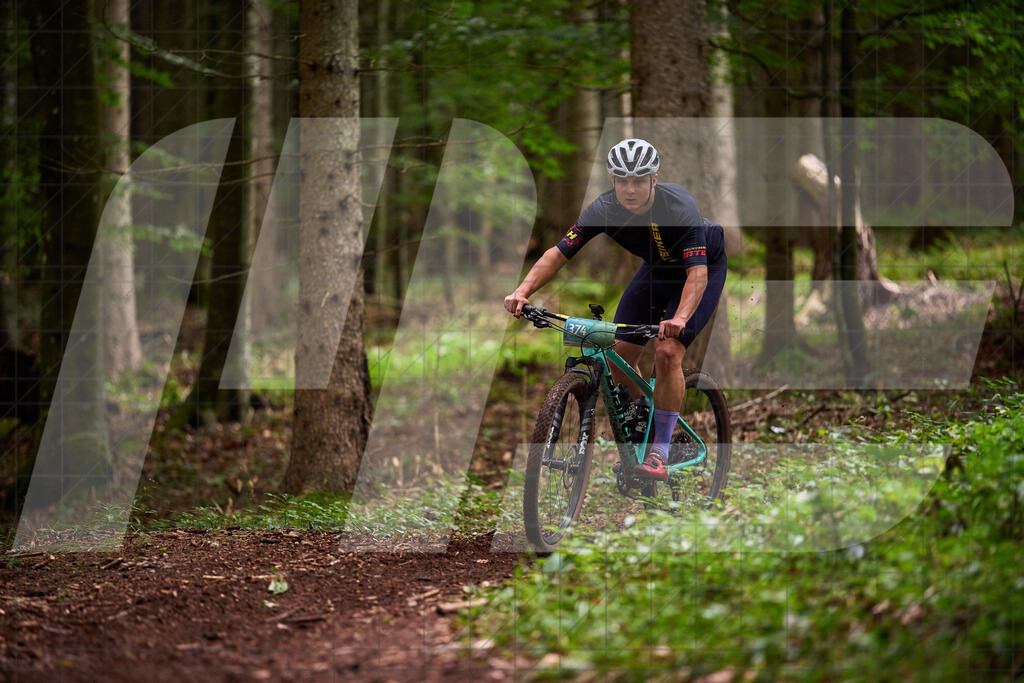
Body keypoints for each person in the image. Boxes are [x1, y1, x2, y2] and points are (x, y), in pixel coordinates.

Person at [504, 138, 727, 481]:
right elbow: (558, 253)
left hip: (702, 270)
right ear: (612, 181)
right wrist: (522, 291)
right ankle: (645, 413)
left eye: (639, 180)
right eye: (622, 180)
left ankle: (659, 452)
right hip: (655, 271)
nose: (630, 189)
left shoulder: (679, 206)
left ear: (654, 179)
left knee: (667, 351)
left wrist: (679, 318)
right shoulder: (603, 209)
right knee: (617, 356)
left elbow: (696, 275)